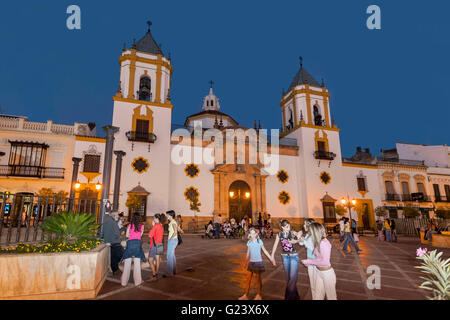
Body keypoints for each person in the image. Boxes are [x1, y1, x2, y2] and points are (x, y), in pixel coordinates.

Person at [301, 222, 337, 300]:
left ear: (315, 232)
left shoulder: (324, 243)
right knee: (318, 296)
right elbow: (318, 258)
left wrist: (309, 261)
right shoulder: (318, 242)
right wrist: (310, 262)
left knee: (331, 297)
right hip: (319, 272)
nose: (310, 234)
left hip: (327, 274)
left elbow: (325, 262)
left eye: (311, 232)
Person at [239, 228, 275, 300]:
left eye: (253, 233)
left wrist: (271, 260)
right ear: (249, 234)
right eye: (251, 233)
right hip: (251, 263)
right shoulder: (249, 242)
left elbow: (265, 251)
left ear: (256, 234)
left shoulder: (259, 241)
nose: (252, 235)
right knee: (248, 279)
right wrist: (246, 262)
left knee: (258, 279)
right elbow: (248, 253)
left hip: (258, 262)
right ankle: (245, 295)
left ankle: (258, 295)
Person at [271, 220, 300, 300]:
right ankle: (296, 297)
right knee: (290, 280)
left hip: (294, 257)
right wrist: (272, 256)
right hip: (285, 258)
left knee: (292, 280)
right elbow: (275, 245)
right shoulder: (279, 234)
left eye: (289, 226)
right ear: (282, 227)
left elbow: (302, 238)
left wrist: (296, 240)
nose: (289, 228)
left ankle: (287, 298)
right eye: (287, 227)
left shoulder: (292, 232)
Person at [121, 213, 146, 286]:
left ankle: (124, 282)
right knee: (137, 263)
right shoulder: (142, 226)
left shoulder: (129, 225)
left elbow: (127, 235)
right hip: (137, 244)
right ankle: (137, 282)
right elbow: (140, 235)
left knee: (127, 263)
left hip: (130, 244)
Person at [296, 218, 316, 298]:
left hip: (315, 260)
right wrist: (299, 236)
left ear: (309, 225)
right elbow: (301, 243)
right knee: (312, 281)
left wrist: (304, 241)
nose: (303, 225)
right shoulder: (308, 234)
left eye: (305, 224)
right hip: (310, 259)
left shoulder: (314, 235)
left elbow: (312, 247)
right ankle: (315, 297)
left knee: (316, 281)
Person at [102, 210, 124, 276]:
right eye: (117, 215)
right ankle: (115, 269)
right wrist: (107, 241)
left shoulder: (112, 220)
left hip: (114, 241)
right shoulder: (109, 221)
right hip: (113, 241)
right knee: (122, 254)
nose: (119, 216)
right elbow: (107, 231)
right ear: (114, 215)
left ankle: (115, 270)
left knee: (113, 257)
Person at [164, 210, 182, 277]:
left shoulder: (173, 222)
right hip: (173, 240)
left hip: (172, 240)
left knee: (169, 256)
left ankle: (169, 272)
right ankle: (174, 270)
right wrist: (180, 230)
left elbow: (175, 231)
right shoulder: (173, 222)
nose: (166, 216)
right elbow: (178, 229)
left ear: (170, 215)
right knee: (172, 255)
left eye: (167, 215)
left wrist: (171, 238)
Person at [148, 213, 164, 278]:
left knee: (150, 259)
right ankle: (157, 271)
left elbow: (150, 235)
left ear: (157, 219)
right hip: (160, 244)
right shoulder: (161, 225)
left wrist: (153, 226)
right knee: (157, 259)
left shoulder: (156, 226)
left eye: (154, 218)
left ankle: (154, 273)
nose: (153, 219)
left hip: (154, 245)